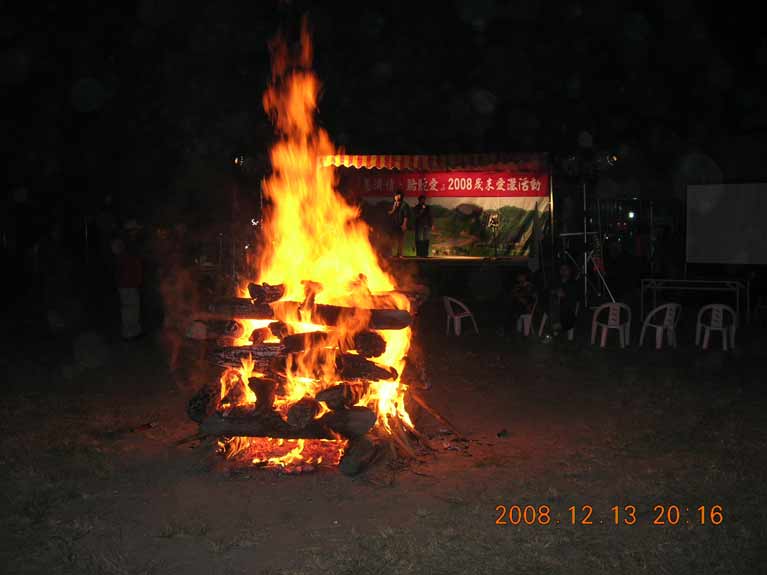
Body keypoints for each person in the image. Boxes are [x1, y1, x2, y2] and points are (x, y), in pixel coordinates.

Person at [113, 221, 144, 340]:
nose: (136, 233)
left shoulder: (130, 244)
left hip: (131, 282)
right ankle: (128, 333)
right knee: (129, 308)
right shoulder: (124, 244)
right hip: (126, 283)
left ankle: (134, 331)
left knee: (133, 308)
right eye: (135, 230)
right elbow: (122, 263)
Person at [548, 262, 580, 336]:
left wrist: (564, 295)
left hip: (567, 309)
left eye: (566, 269)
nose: (563, 271)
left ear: (570, 271)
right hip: (554, 307)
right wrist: (555, 292)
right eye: (562, 269)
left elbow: (574, 299)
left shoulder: (574, 283)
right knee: (552, 299)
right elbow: (549, 290)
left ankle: (556, 327)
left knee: (559, 304)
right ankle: (556, 326)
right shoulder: (556, 281)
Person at [504, 270, 537, 334]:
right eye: (518, 277)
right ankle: (516, 332)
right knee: (517, 321)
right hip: (518, 307)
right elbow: (512, 295)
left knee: (525, 322)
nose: (519, 278)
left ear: (524, 277)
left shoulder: (529, 285)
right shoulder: (517, 286)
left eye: (520, 276)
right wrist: (516, 295)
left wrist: (527, 303)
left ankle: (526, 333)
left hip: (527, 307)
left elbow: (533, 297)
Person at [387, 191, 411, 257]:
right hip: (394, 224)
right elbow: (391, 213)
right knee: (392, 239)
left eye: (398, 195)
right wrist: (394, 208)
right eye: (396, 196)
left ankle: (400, 254)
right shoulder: (394, 204)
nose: (397, 197)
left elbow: (406, 216)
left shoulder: (404, 205)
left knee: (400, 239)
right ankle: (391, 253)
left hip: (401, 224)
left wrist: (404, 224)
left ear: (401, 196)